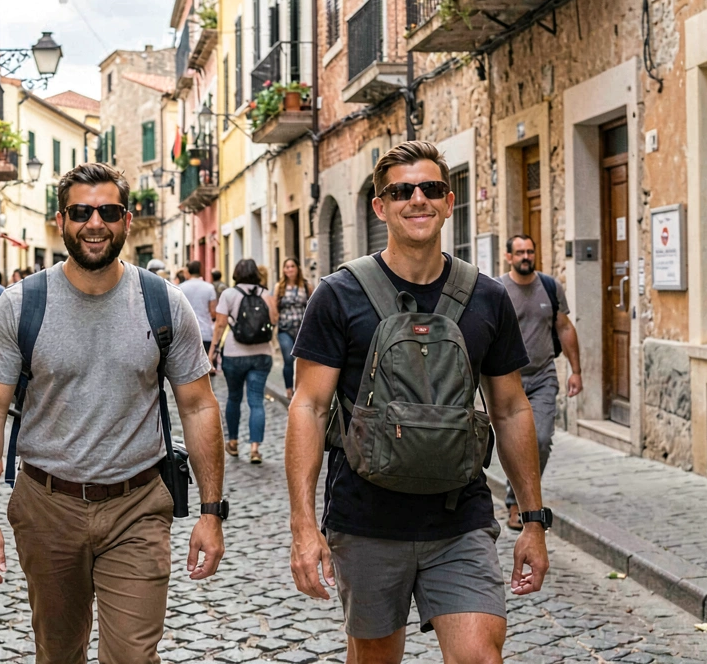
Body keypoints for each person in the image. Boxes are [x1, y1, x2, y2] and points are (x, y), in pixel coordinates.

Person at [285, 140, 549, 664]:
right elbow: (308, 408)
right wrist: (303, 526)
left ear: (450, 201)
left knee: (480, 656)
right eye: (401, 190)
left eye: (431, 188)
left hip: (460, 517)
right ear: (381, 207)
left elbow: (512, 407)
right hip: (365, 519)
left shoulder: (487, 296)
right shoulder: (339, 295)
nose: (418, 199)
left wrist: (534, 521)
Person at [0, 162, 227, 664]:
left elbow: (197, 406)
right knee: (58, 653)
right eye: (81, 211)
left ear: (126, 220)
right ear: (61, 220)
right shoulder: (21, 305)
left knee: (132, 656)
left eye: (108, 211)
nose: (95, 223)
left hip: (138, 506)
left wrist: (212, 513)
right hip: (46, 506)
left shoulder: (163, 303)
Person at [499, 234, 582, 530]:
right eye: (519, 252)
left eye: (530, 251)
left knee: (541, 440)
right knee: (515, 441)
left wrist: (576, 370)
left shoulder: (549, 287)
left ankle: (521, 499)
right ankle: (517, 504)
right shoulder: (499, 290)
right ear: (508, 256)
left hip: (544, 376)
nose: (525, 257)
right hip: (509, 379)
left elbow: (564, 328)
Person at [210, 259, 278, 464]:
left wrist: (212, 351)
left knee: (234, 398)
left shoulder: (229, 294)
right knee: (256, 401)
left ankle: (233, 442)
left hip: (234, 353)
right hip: (262, 354)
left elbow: (220, 325)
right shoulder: (266, 294)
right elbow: (274, 320)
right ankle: (255, 449)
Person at [275, 257, 312, 402]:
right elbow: (275, 308)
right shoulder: (280, 287)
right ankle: (289, 389)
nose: (289, 269)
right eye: (287, 267)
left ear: (297, 269)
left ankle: (302, 388)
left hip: (302, 328)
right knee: (288, 359)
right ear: (283, 270)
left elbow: (311, 307)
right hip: (285, 328)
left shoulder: (306, 286)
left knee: (304, 359)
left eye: (292, 266)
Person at [179, 260, 219, 356]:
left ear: (188, 271)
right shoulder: (209, 288)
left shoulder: (180, 288)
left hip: (186, 333)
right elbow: (213, 312)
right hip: (205, 332)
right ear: (201, 271)